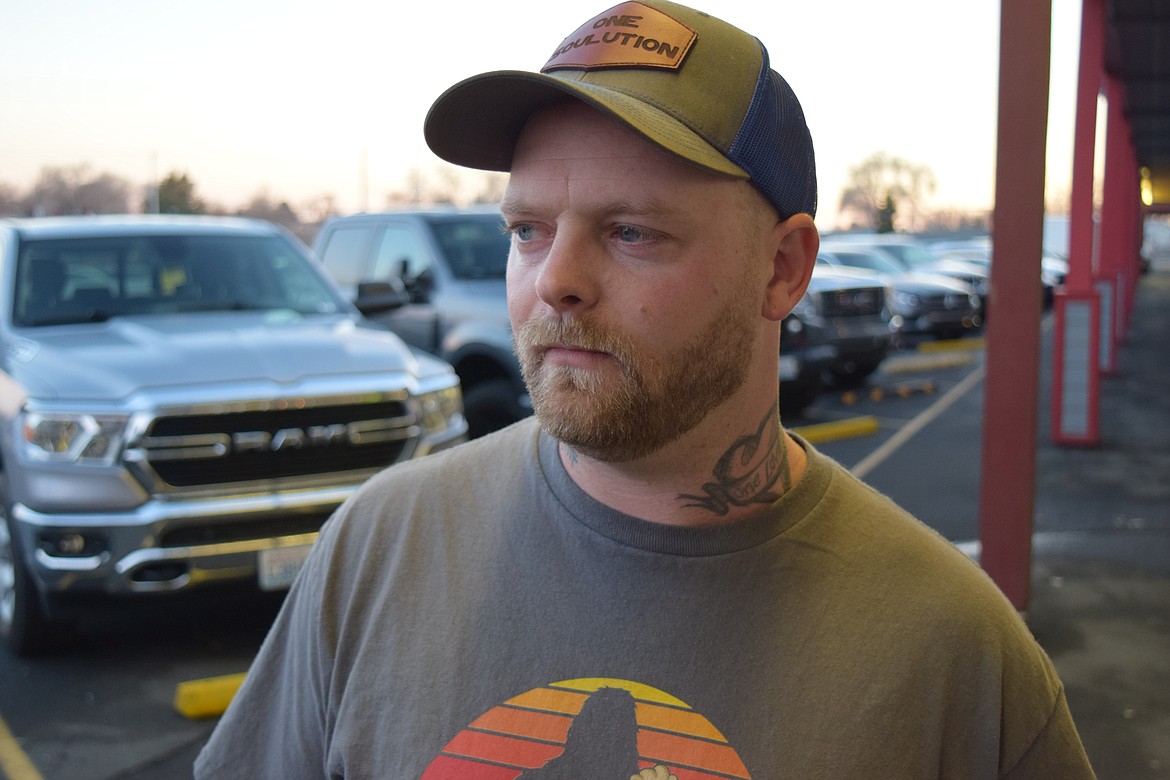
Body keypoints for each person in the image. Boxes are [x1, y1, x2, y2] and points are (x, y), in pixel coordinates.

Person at [196, 2, 1095, 777]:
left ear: (783, 270)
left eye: (630, 232)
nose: (556, 281)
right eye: (527, 230)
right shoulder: (377, 550)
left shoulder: (953, 650)